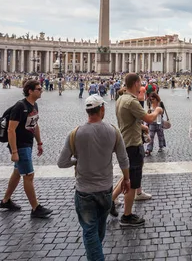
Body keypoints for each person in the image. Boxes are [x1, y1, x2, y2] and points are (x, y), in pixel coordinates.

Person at [57, 95, 130, 261]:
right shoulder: (113, 131)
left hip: (84, 191)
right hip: (106, 191)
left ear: (87, 111)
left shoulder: (75, 133)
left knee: (90, 232)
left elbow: (62, 163)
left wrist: (77, 159)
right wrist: (126, 179)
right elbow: (123, 159)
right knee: (98, 230)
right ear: (102, 109)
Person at [112, 73, 163, 227]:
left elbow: (127, 120)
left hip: (126, 140)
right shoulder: (132, 102)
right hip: (133, 144)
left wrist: (141, 127)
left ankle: (110, 199)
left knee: (127, 176)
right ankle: (127, 216)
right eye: (139, 82)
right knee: (133, 182)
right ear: (135, 83)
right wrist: (157, 110)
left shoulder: (121, 99)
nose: (140, 85)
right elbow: (149, 118)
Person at [0, 80, 52, 218]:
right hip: (20, 145)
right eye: (39, 89)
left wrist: (39, 142)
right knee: (29, 175)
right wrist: (14, 151)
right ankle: (35, 208)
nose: (42, 91)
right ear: (30, 91)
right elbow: (11, 130)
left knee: (17, 173)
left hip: (28, 144)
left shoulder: (34, 105)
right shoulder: (20, 106)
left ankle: (5, 201)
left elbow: (35, 125)